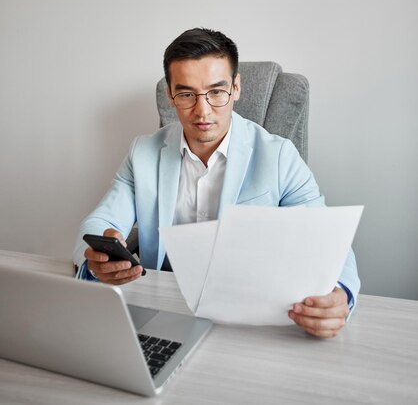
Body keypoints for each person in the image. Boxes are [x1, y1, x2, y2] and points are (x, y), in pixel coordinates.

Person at [74, 27, 359, 338]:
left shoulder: (279, 156)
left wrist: (341, 293)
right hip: (166, 309)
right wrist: (96, 262)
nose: (203, 110)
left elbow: (327, 239)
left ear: (236, 88)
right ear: (170, 96)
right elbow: (100, 221)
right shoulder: (143, 152)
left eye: (216, 92)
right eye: (186, 94)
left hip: (248, 318)